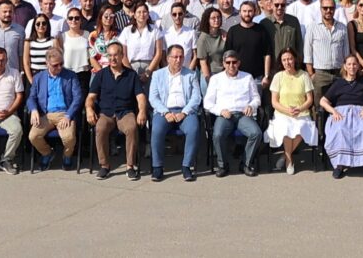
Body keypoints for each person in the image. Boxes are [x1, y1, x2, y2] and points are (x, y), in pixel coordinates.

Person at [88, 42, 147, 180]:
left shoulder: (131, 75)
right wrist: (89, 109)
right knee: (100, 128)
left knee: (132, 128)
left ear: (122, 56)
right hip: (106, 113)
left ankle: (130, 166)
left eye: (116, 55)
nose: (113, 58)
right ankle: (104, 166)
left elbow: (141, 97)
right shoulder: (101, 74)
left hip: (125, 112)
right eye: (110, 55)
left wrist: (142, 111)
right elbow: (90, 97)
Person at [145, 44, 202, 181]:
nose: (178, 60)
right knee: (157, 130)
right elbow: (153, 97)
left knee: (193, 129)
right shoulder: (158, 75)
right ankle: (157, 167)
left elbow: (196, 97)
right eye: (175, 57)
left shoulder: (191, 74)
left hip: (185, 110)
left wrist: (185, 112)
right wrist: (165, 113)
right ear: (168, 58)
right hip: (165, 111)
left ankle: (186, 166)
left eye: (181, 57)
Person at [204, 50, 264, 177]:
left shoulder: (247, 77)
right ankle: (223, 165)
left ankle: (246, 164)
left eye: (234, 62)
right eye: (228, 62)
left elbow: (256, 98)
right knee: (218, 134)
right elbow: (207, 103)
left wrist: (251, 105)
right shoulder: (216, 79)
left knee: (256, 133)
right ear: (223, 64)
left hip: (243, 114)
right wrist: (220, 111)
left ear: (239, 63)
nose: (231, 65)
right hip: (225, 115)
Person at [321, 52, 363, 179]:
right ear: (345, 66)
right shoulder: (338, 83)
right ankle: (340, 165)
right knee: (340, 130)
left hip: (361, 111)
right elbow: (323, 101)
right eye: (349, 64)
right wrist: (333, 111)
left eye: (354, 64)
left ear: (358, 66)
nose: (352, 67)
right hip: (341, 112)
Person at [266, 47, 316, 175]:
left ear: (295, 60)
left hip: (301, 113)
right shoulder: (278, 76)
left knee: (302, 128)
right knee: (287, 128)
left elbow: (310, 99)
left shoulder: (304, 75)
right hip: (282, 113)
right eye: (284, 60)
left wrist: (299, 109)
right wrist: (288, 111)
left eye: (289, 59)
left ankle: (285, 155)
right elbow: (274, 102)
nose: (287, 62)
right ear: (281, 62)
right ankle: (289, 161)